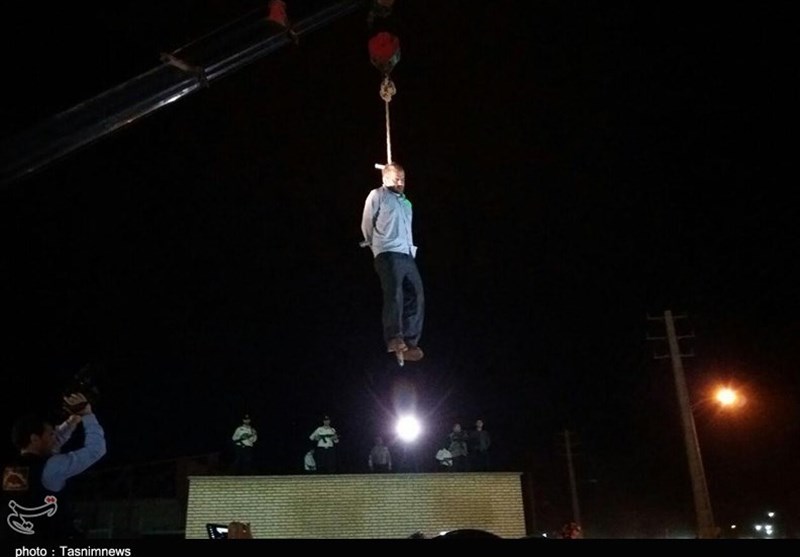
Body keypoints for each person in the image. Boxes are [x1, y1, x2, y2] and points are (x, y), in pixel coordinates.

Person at [2, 392, 106, 539]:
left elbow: (52, 443)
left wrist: (71, 422)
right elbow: (96, 449)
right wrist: (87, 414)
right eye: (51, 434)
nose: (55, 437)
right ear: (34, 439)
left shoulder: (10, 470)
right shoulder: (52, 467)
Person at [361, 162, 425, 362]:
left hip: (406, 253)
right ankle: (394, 338)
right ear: (385, 178)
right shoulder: (377, 195)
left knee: (416, 294)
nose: (400, 183)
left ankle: (410, 342)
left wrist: (410, 250)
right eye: (396, 179)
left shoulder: (406, 203)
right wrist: (375, 246)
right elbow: (367, 222)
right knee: (394, 293)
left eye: (402, 179)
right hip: (387, 252)